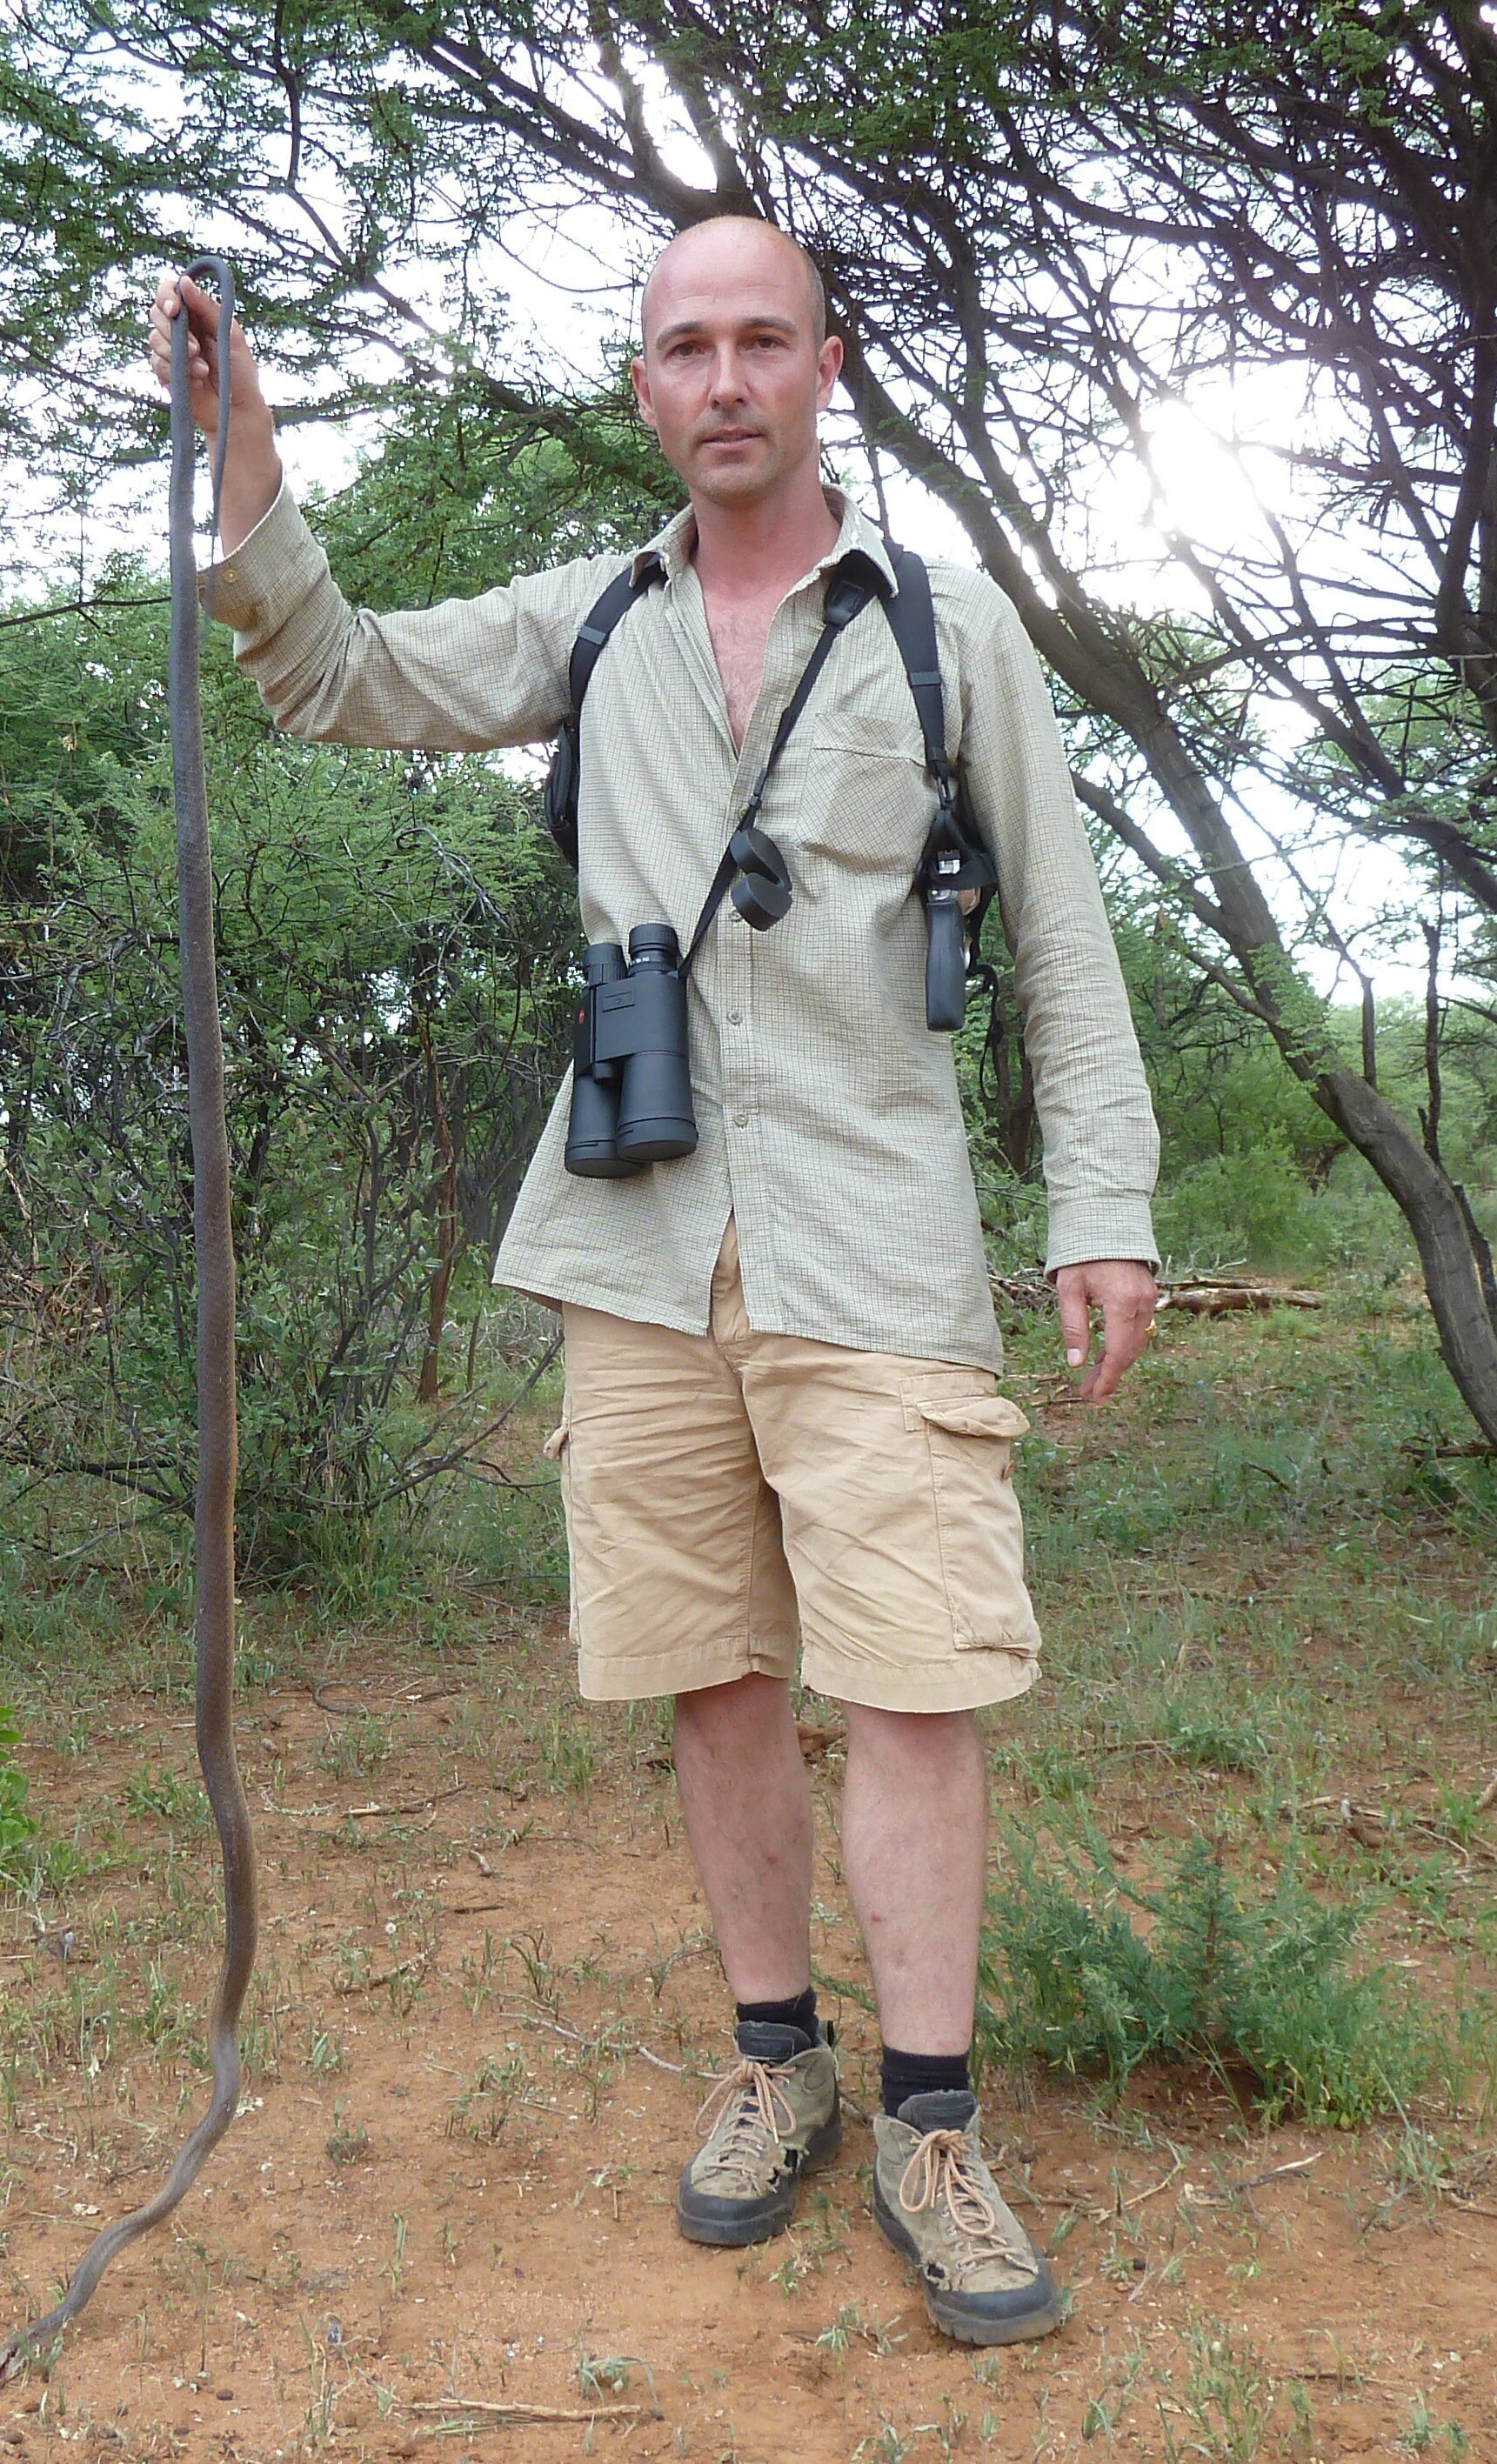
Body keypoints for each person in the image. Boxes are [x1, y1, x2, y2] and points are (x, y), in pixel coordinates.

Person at [148, 215, 1161, 2347]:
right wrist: (245, 449)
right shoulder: (589, 622)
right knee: (707, 1667)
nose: (724, 380)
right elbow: (335, 672)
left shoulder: (941, 629)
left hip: (875, 1233)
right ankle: (773, 2057)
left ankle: (931, 2122)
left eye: (760, 342)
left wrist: (1103, 1203)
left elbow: (1059, 935)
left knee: (911, 1679)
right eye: (684, 346)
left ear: (825, 369)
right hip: (633, 1235)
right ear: (643, 388)